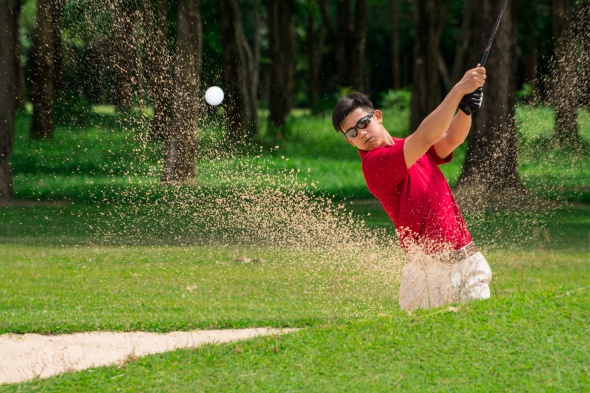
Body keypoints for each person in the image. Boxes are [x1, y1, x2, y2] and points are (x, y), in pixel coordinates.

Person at [331, 66, 492, 311]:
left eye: (363, 123)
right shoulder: (375, 165)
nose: (361, 133)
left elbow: (450, 139)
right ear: (349, 141)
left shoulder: (406, 146)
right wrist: (459, 89)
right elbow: (426, 137)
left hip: (468, 259)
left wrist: (465, 111)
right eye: (352, 133)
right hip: (429, 275)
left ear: (377, 116)